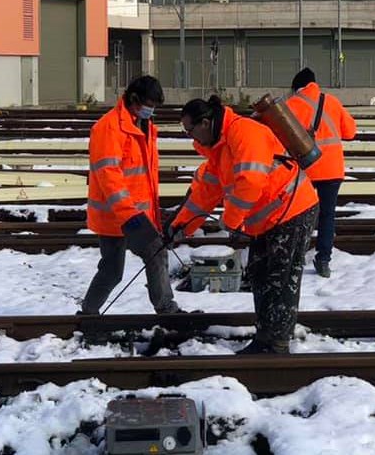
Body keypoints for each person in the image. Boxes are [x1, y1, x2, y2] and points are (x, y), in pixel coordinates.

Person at [168, 96, 319, 354]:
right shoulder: (218, 148)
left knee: (279, 279)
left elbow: (251, 181)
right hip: (269, 219)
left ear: (205, 123)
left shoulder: (243, 132)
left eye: (190, 130)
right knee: (260, 276)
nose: (190, 137)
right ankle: (265, 338)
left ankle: (277, 343)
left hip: (292, 210)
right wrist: (181, 227)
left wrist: (232, 220)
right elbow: (206, 193)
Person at [79, 75, 181, 315]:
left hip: (138, 215)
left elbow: (144, 177)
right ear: (133, 99)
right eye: (149, 105)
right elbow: (109, 176)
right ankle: (88, 313)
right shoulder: (108, 128)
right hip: (118, 216)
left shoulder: (144, 126)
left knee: (157, 255)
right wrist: (129, 214)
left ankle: (166, 308)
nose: (151, 111)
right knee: (113, 270)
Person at [285, 67, 357, 278]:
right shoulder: (332, 102)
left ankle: (296, 256)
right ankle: (323, 260)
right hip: (332, 169)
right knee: (327, 215)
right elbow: (350, 132)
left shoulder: (291, 104)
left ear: (297, 87)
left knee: (298, 213)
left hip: (305, 169)